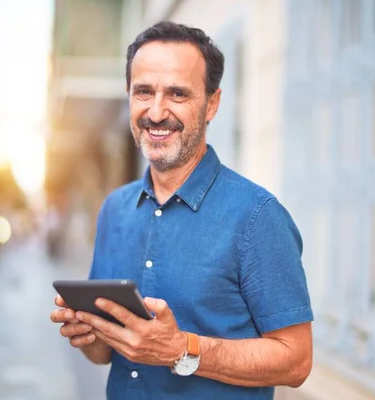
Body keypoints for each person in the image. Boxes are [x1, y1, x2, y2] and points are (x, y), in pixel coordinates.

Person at [50, 21, 313, 400]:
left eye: (177, 94)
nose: (156, 113)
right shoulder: (114, 209)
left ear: (212, 104)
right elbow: (104, 353)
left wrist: (179, 349)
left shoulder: (257, 216)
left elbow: (296, 361)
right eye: (144, 92)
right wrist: (87, 333)